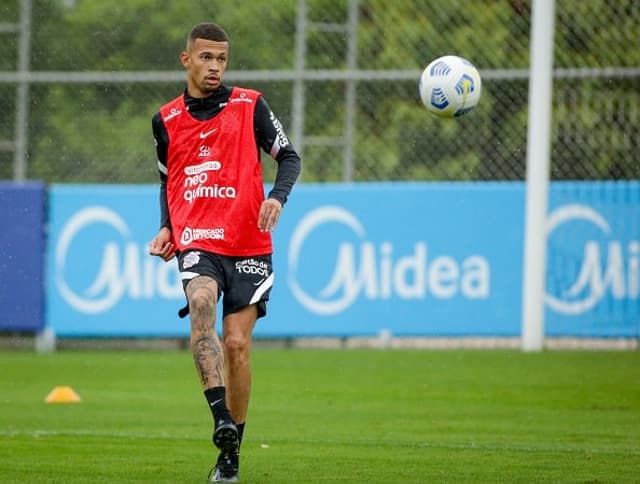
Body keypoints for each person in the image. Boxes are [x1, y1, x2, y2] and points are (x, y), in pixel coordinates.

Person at [148, 22, 301, 483]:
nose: (214, 67)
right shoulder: (165, 120)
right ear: (186, 60)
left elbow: (289, 156)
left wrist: (276, 197)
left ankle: (230, 456)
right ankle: (221, 421)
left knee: (236, 344)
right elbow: (168, 180)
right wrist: (167, 227)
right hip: (198, 238)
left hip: (248, 241)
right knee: (200, 304)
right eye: (206, 58)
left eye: (221, 59)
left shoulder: (249, 105)